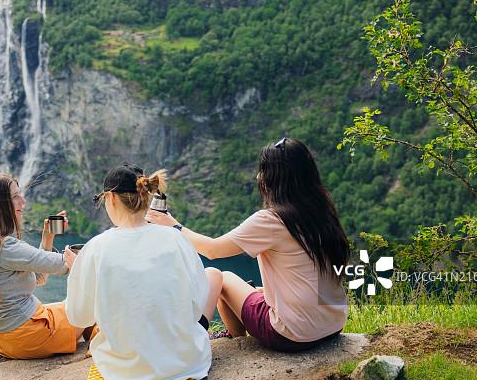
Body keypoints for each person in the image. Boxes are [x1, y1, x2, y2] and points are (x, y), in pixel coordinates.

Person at [146, 138, 350, 352]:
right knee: (250, 288)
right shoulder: (323, 210)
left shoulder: (273, 220)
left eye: (262, 170)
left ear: (272, 178)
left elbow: (212, 250)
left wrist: (174, 225)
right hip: (333, 323)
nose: (257, 176)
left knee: (224, 279)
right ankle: (235, 337)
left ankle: (235, 341)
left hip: (293, 334)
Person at [65, 165, 221, 380]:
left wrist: (77, 274)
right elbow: (195, 308)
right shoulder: (175, 238)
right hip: (183, 364)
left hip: (121, 370)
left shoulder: (96, 247)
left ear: (111, 199)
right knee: (213, 276)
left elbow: (79, 318)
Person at [0, 173, 93, 359]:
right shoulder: (6, 247)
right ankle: (98, 350)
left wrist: (47, 237)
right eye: (15, 197)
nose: (23, 201)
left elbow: (39, 278)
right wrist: (96, 252)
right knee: (91, 304)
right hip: (27, 335)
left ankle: (91, 342)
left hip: (2, 338)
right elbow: (67, 265)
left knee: (69, 306)